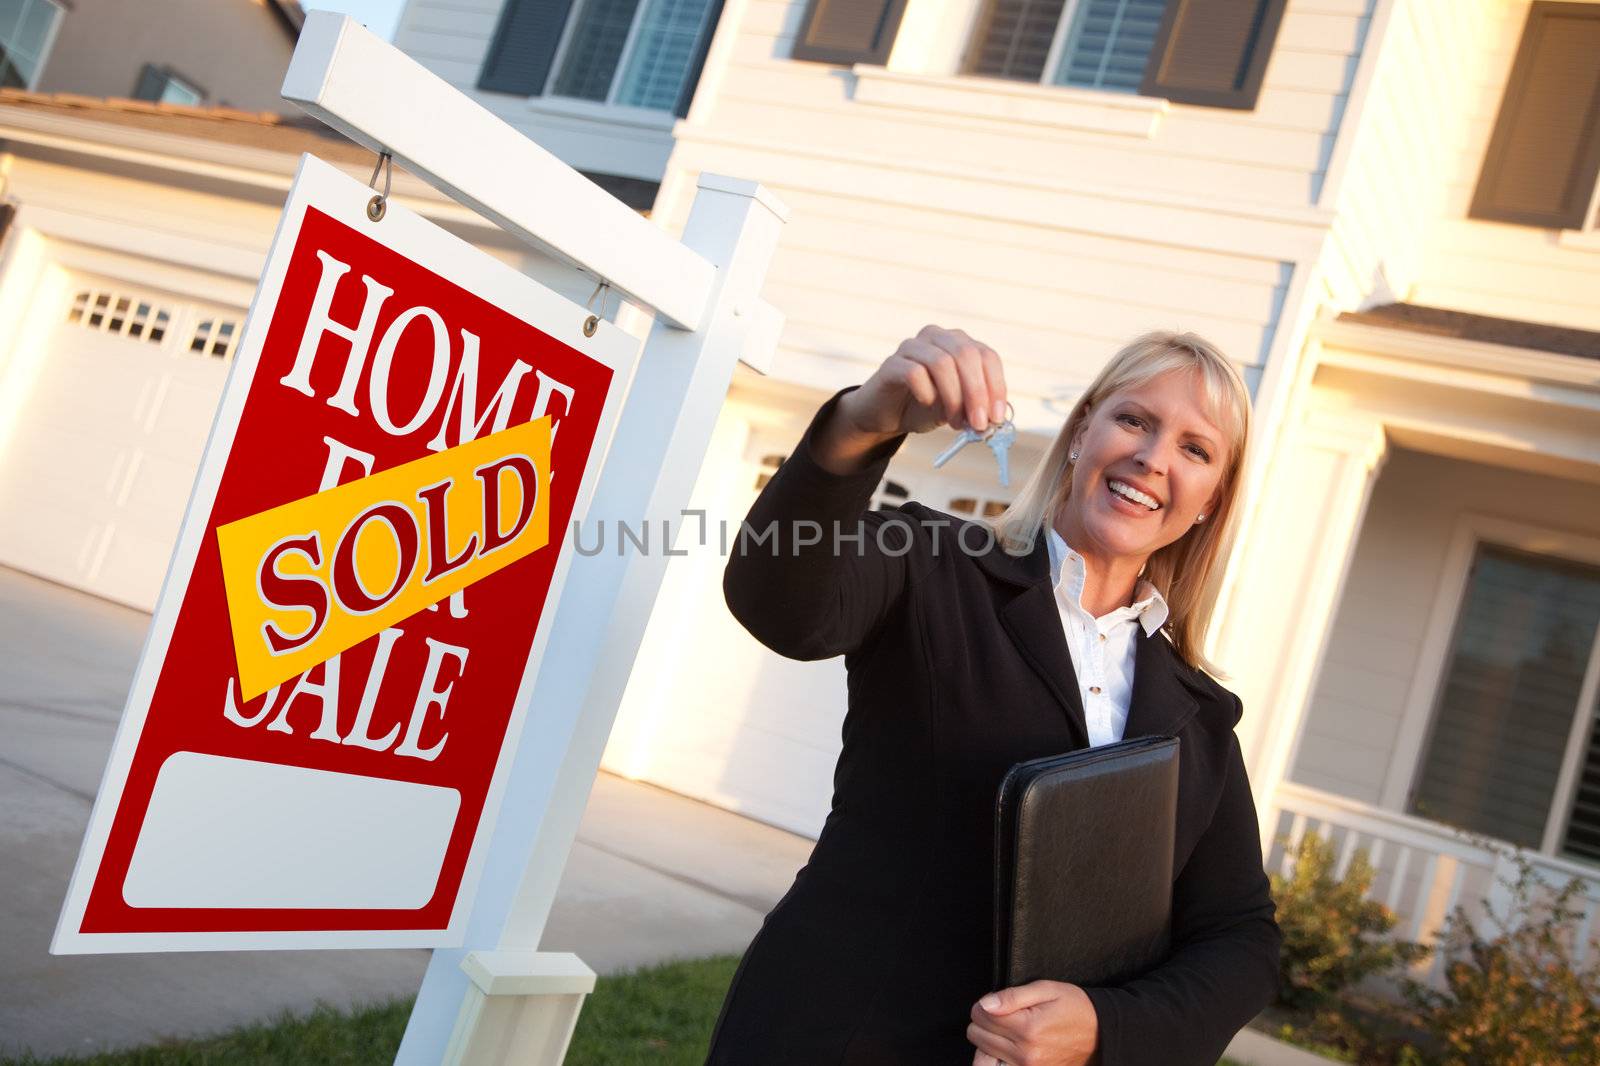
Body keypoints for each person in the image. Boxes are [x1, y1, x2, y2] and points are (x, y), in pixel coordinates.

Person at [706, 326, 1283, 1066]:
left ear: (1209, 502)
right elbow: (779, 604)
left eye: (1195, 449)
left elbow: (1241, 940)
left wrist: (1108, 1027)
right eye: (1134, 419)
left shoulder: (1199, 720)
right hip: (835, 1037)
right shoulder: (933, 564)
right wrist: (862, 422)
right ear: (1080, 434)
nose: (1153, 457)